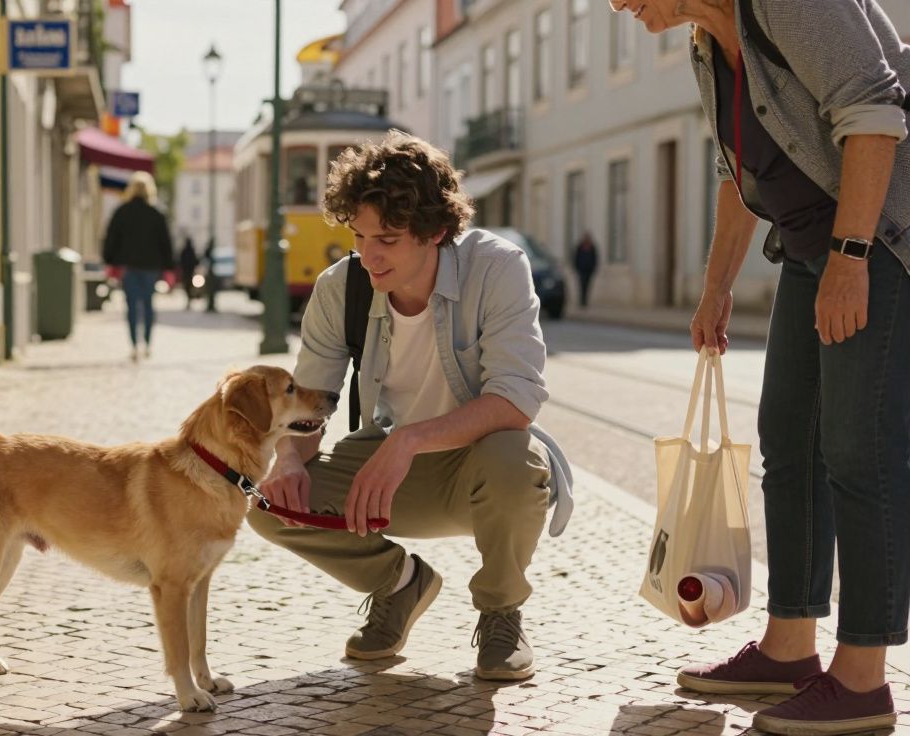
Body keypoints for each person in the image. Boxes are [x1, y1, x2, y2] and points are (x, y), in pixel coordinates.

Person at [609, 2, 910, 734]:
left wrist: (851, 258)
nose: (617, 3)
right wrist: (716, 288)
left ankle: (864, 677)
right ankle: (789, 647)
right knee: (789, 442)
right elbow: (734, 168)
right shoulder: (710, 44)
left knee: (858, 451)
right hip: (813, 252)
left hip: (880, 246)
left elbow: (874, 112)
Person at [247, 131, 573, 682]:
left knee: (516, 459)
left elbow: (517, 399)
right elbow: (309, 405)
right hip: (386, 469)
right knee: (266, 500)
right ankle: (398, 584)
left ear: (436, 232)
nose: (368, 255)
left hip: (479, 466)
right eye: (359, 235)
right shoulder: (341, 288)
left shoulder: (497, 269)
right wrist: (293, 459)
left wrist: (412, 439)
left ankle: (501, 615)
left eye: (388, 239)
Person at [103, 172, 174, 361]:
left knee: (132, 306)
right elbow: (165, 242)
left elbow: (111, 238)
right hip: (151, 267)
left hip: (128, 266)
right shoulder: (156, 213)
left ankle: (135, 346)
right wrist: (168, 266)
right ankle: (148, 344)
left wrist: (110, 260)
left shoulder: (122, 212)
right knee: (149, 305)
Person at [572, 232, 599, 308]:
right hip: (581, 269)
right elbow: (576, 257)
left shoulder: (592, 247)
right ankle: (582, 301)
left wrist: (593, 267)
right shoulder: (580, 247)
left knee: (587, 285)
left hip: (589, 270)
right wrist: (576, 267)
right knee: (582, 285)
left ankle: (585, 301)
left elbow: (595, 258)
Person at [178, 235, 200, 310]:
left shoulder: (186, 251)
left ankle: (189, 300)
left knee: (188, 287)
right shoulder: (189, 251)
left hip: (188, 272)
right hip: (188, 272)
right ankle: (189, 299)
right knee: (188, 287)